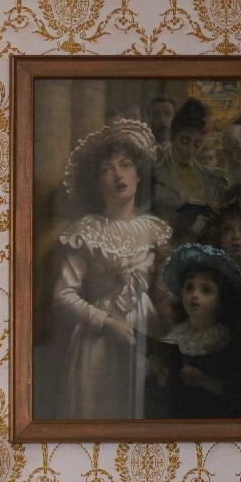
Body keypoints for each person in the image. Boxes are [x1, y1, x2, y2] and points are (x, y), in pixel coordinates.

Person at [50, 118, 172, 420]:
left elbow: (165, 291)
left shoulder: (156, 230)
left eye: (125, 164)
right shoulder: (86, 230)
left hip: (147, 332)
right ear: (96, 183)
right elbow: (62, 294)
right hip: (98, 340)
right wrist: (107, 323)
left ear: (139, 173)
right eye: (106, 169)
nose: (118, 174)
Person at [147, 242, 241, 418]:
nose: (194, 295)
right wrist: (161, 377)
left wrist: (204, 381)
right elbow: (162, 400)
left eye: (206, 290)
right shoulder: (175, 338)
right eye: (189, 287)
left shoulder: (230, 342)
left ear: (221, 299)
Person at [153, 98, 231, 240]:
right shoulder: (154, 176)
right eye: (185, 141)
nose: (189, 150)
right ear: (172, 137)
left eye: (197, 144)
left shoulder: (213, 180)